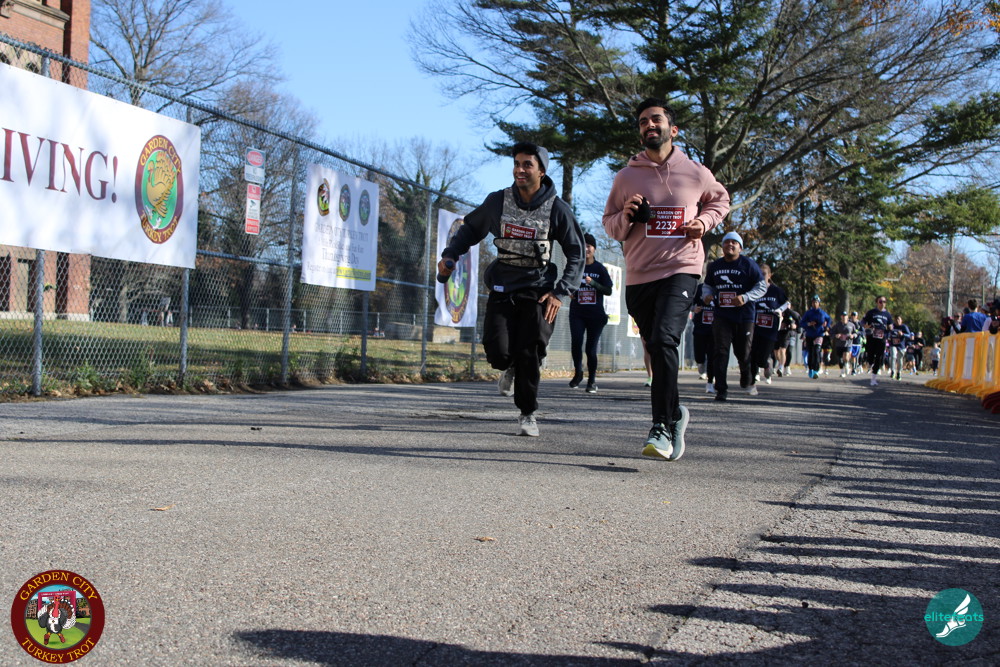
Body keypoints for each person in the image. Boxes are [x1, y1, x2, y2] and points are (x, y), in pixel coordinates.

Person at [603, 97, 730, 460]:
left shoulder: (695, 172)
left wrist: (703, 222)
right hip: (640, 276)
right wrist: (627, 215)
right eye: (643, 121)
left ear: (672, 129)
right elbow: (610, 225)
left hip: (681, 268)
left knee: (663, 339)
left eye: (655, 119)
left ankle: (660, 427)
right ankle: (675, 414)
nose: (649, 125)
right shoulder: (626, 177)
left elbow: (720, 200)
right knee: (656, 348)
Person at [439, 141, 585, 437]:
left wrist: (560, 292)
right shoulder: (498, 201)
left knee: (530, 350)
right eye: (516, 163)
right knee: (499, 353)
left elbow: (576, 252)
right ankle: (509, 366)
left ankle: (528, 413)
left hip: (538, 289)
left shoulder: (556, 208)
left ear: (541, 171)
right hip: (503, 285)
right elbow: (470, 229)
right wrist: (450, 254)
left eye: (527, 164)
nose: (520, 169)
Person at [701, 231, 767, 400]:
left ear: (740, 247)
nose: (730, 244)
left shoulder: (748, 264)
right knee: (720, 351)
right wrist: (706, 295)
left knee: (743, 353)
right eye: (727, 242)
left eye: (734, 242)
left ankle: (746, 376)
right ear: (722, 246)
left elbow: (761, 287)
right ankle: (721, 389)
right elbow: (707, 286)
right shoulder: (715, 266)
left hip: (744, 316)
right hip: (722, 315)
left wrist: (745, 297)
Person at [569, 233, 613, 393]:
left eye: (589, 246)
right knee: (576, 343)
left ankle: (592, 381)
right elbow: (567, 283)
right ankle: (578, 373)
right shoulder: (576, 266)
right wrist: (570, 292)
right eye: (583, 245)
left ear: (594, 249)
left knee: (590, 349)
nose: (586, 249)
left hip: (595, 315)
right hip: (577, 312)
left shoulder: (599, 268)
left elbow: (608, 290)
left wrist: (593, 283)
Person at [749, 264, 789, 386]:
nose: (762, 276)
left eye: (764, 274)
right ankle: (752, 383)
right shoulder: (753, 290)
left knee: (761, 358)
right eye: (759, 274)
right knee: (752, 356)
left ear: (769, 275)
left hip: (770, 330)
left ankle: (766, 364)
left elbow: (787, 304)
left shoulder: (776, 291)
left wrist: (779, 310)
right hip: (755, 328)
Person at [862, 295, 893, 386]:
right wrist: (866, 326)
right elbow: (862, 321)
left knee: (879, 357)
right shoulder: (871, 312)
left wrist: (890, 328)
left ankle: (874, 378)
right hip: (871, 336)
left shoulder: (887, 314)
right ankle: (870, 363)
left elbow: (891, 325)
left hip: (882, 337)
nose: (882, 303)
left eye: (884, 302)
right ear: (877, 302)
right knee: (870, 354)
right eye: (880, 301)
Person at [799, 296, 832, 379]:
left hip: (819, 334)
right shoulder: (808, 313)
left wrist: (827, 327)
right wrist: (809, 324)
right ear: (812, 303)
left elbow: (829, 319)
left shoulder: (822, 313)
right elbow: (801, 323)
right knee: (810, 352)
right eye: (813, 302)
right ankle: (811, 369)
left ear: (819, 303)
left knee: (817, 351)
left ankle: (816, 370)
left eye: (816, 302)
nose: (815, 304)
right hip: (809, 335)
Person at [691, 292, 716, 394]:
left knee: (712, 356)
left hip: (715, 329)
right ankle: (701, 364)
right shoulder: (699, 289)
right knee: (699, 357)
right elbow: (688, 303)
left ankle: (710, 382)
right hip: (700, 328)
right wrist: (693, 308)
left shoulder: (718, 288)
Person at [829, 311, 856, 378]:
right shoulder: (837, 325)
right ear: (841, 317)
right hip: (839, 344)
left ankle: (847, 364)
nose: (844, 317)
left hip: (848, 343)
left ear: (847, 317)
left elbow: (855, 333)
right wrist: (836, 335)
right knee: (840, 359)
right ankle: (842, 371)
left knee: (846, 357)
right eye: (843, 316)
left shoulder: (851, 325)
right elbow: (831, 333)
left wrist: (853, 335)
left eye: (845, 316)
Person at [774, 308, 799, 377]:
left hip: (785, 333)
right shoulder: (774, 310)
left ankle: (781, 367)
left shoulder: (788, 314)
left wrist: (792, 325)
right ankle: (781, 363)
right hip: (776, 333)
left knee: (783, 350)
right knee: (776, 352)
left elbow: (793, 322)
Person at [887, 314, 912, 380]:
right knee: (893, 356)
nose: (897, 321)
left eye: (899, 319)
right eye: (896, 319)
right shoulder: (892, 326)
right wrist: (888, 336)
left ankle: (899, 372)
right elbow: (887, 332)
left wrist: (902, 334)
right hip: (893, 344)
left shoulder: (904, 327)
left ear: (901, 320)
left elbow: (909, 335)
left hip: (901, 346)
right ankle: (893, 371)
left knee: (900, 360)